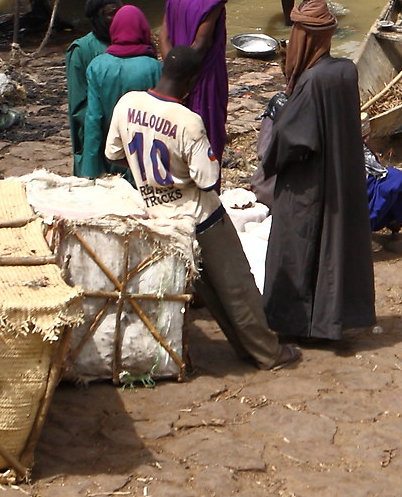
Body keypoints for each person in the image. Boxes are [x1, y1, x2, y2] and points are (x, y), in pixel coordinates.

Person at [105, 37, 297, 370]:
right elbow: (207, 180)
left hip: (159, 216)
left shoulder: (128, 104)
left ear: (164, 67)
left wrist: (153, 177)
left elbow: (114, 155)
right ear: (192, 80)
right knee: (238, 290)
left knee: (210, 292)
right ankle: (268, 353)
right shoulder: (187, 121)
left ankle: (244, 348)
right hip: (201, 218)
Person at [256, 19, 376, 344]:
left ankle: (296, 325)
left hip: (307, 182)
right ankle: (330, 321)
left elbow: (293, 138)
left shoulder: (311, 81)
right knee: (331, 248)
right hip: (339, 174)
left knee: (297, 248)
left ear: (303, 37)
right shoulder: (345, 71)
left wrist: (274, 136)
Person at [166, 0, 240, 161]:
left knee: (178, 136)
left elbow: (164, 36)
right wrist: (187, 85)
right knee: (206, 133)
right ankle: (206, 186)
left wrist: (171, 76)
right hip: (202, 79)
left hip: (175, 74)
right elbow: (201, 44)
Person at [77, 6, 162, 179]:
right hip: (145, 158)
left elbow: (94, 119)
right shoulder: (154, 68)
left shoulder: (97, 66)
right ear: (143, 29)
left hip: (111, 155)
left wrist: (90, 169)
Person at [65, 0, 124, 169]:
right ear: (98, 16)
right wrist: (108, 128)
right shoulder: (82, 50)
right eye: (112, 14)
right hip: (98, 134)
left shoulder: (129, 44)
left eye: (120, 13)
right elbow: (79, 105)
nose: (117, 20)